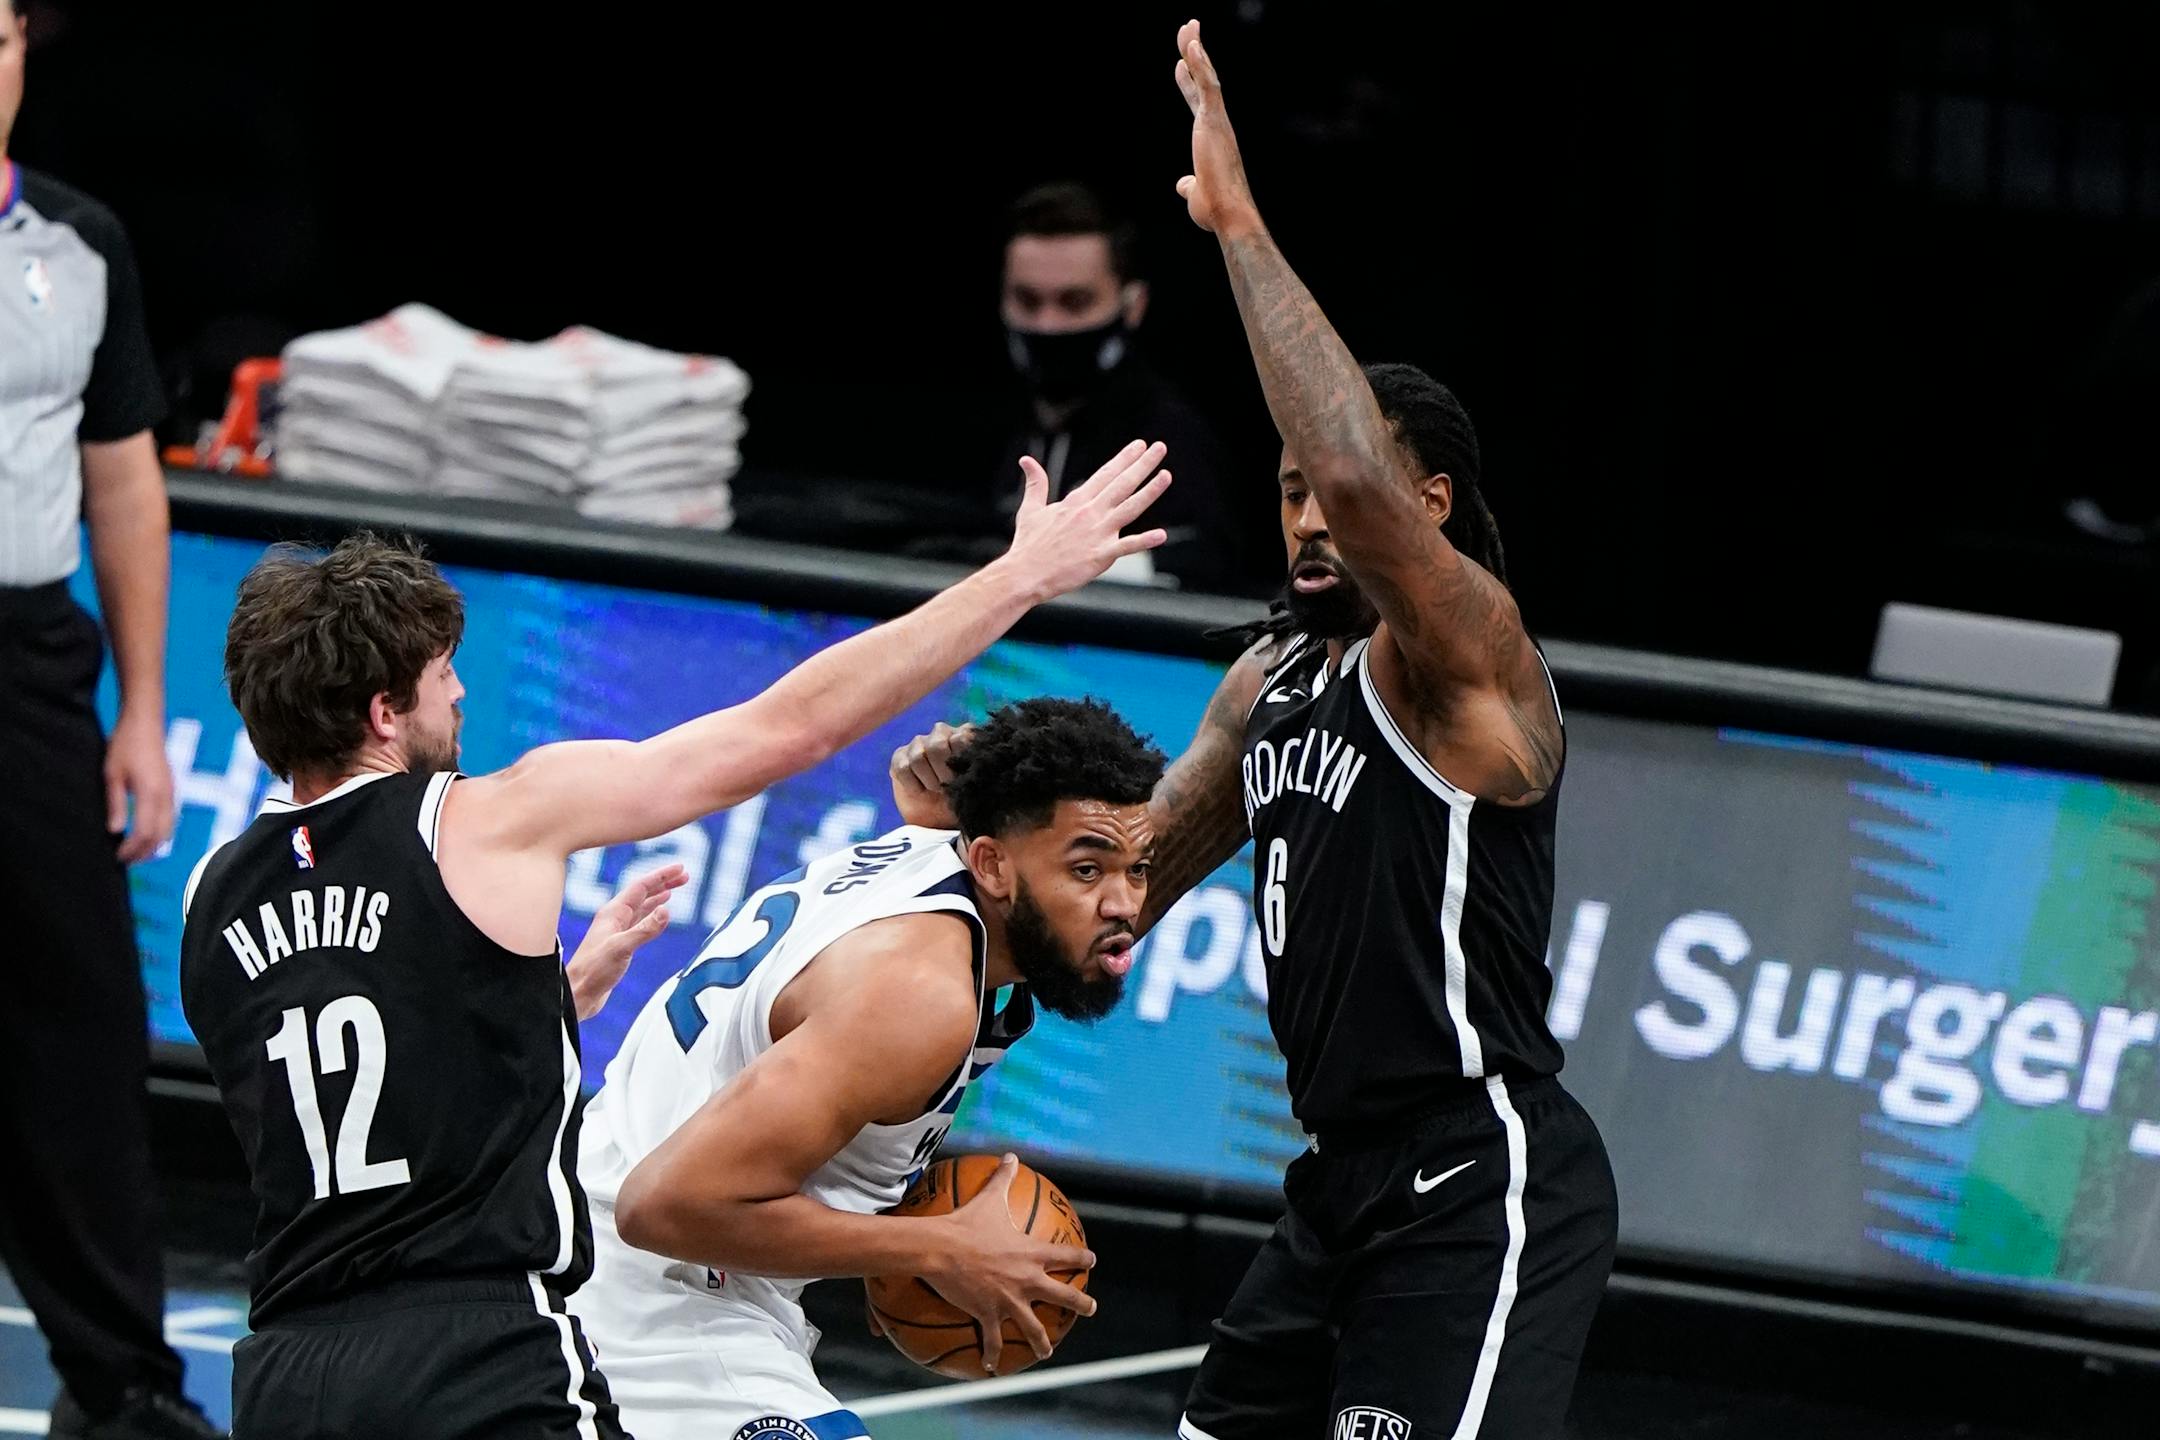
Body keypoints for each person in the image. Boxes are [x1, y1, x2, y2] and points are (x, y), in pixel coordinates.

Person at [895, 23, 1618, 1438]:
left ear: (1434, 512)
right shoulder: (1268, 685)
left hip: (1479, 1175)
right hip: (1335, 1182)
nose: (1303, 514)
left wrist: (1235, 223)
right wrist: (981, 846)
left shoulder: (1471, 666)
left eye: (1329, 496)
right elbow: (1122, 901)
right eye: (1282, 491)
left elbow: (1356, 466)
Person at [175, 439, 1172, 1439]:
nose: (463, 696)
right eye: (443, 678)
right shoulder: (488, 817)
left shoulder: (209, 900)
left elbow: (349, 1075)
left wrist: (542, 1002)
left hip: (285, 1368)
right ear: (386, 711)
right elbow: (789, 730)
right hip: (477, 1349)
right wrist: (1019, 577)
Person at [573, 697, 1163, 1440]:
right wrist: (938, 1248)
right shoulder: (919, 995)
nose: (1125, 904)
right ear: (991, 863)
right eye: (1086, 871)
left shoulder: (930, 848)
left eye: (1136, 871)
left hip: (604, 1213)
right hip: (647, 1295)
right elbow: (661, 1207)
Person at [0, 5, 219, 1435]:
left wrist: (141, 708)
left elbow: (125, 479)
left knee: (73, 1028)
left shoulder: (80, 243)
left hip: (24, 666)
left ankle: (121, 1384)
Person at [910, 181, 1243, 592]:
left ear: (1132, 305)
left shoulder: (1171, 445)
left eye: (1075, 303)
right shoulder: (964, 430)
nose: (1047, 325)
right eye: (1028, 302)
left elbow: (1206, 569)